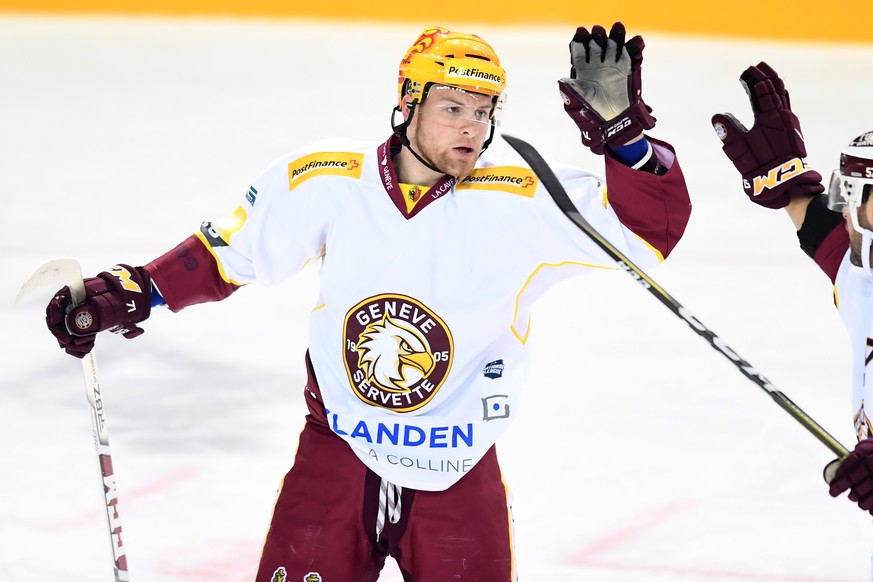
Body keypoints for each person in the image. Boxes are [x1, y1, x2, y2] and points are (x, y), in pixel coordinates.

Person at [45, 23, 691, 581]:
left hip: (458, 462)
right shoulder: (326, 182)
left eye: (484, 111)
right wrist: (129, 293)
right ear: (407, 103)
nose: (472, 126)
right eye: (452, 107)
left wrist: (624, 143)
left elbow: (647, 231)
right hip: (338, 450)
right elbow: (226, 255)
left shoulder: (520, 200)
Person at [711, 63, 873, 520]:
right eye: (851, 197)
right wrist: (788, 184)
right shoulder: (859, 272)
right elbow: (818, 224)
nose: (848, 214)